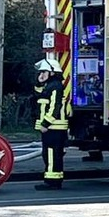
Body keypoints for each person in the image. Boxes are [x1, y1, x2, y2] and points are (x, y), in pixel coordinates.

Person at [34, 58, 70, 190]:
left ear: (52, 73)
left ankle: (53, 182)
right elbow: (37, 93)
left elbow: (55, 107)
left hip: (54, 127)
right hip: (52, 127)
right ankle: (53, 180)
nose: (42, 73)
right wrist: (39, 80)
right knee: (50, 154)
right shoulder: (49, 86)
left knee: (52, 155)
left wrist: (45, 123)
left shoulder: (55, 87)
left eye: (44, 71)